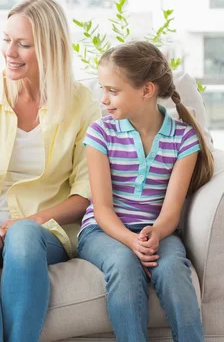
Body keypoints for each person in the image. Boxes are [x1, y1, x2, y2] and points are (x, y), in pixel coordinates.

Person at [0, 0, 101, 341]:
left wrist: (30, 221)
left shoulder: (82, 105)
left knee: (23, 237)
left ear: (50, 48)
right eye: (6, 39)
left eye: (23, 44)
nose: (9, 52)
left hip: (44, 228)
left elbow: (86, 192)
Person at [77, 41, 214, 341]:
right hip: (103, 231)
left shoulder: (184, 140)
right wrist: (130, 241)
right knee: (124, 265)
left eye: (113, 91)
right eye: (103, 89)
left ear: (147, 91)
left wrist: (155, 234)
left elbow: (171, 211)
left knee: (173, 270)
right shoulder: (101, 133)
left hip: (159, 231)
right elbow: (101, 208)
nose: (104, 99)